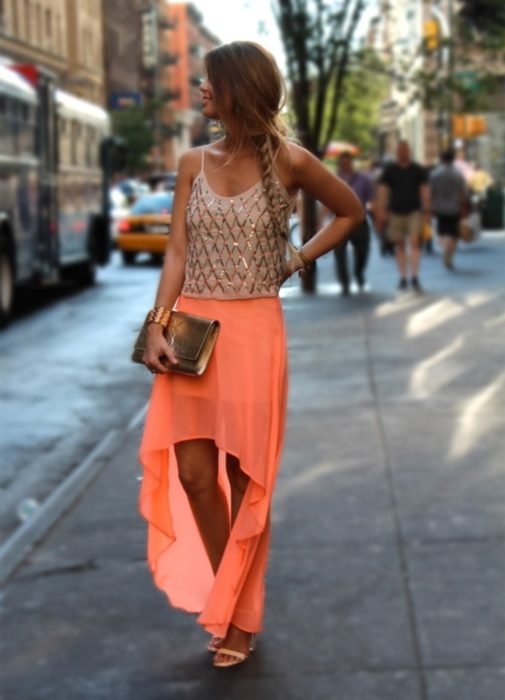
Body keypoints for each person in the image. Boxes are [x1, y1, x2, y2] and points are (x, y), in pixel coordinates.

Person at [138, 41, 363, 670]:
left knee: (245, 481)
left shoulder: (290, 161)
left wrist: (294, 259)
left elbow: (349, 211)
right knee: (191, 474)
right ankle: (228, 599)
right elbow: (176, 253)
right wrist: (157, 323)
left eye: (210, 81)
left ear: (238, 87)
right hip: (191, 332)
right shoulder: (190, 162)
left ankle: (238, 614)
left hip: (254, 332)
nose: (201, 90)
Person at [376, 140, 430, 292]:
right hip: (395, 211)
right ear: (397, 153)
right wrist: (382, 209)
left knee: (414, 241)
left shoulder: (417, 170)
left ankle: (414, 276)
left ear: (409, 152)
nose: (402, 153)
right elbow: (383, 191)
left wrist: (426, 209)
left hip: (414, 210)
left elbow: (424, 190)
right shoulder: (390, 171)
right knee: (399, 244)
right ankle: (403, 277)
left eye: (405, 150)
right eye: (400, 151)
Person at [333, 151, 374, 294]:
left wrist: (377, 215)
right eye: (343, 163)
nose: (345, 165)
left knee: (363, 250)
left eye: (348, 162)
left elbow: (371, 200)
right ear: (340, 164)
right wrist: (321, 220)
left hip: (359, 220)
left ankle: (359, 273)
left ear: (351, 163)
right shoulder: (333, 179)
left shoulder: (363, 179)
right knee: (339, 253)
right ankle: (344, 283)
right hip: (339, 220)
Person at [429, 148, 467, 270]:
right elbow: (462, 193)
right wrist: (463, 207)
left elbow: (431, 193)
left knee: (442, 232)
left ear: (441, 159)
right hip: (454, 208)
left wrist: (430, 207)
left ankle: (446, 248)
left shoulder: (434, 174)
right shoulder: (458, 175)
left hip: (439, 208)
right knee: (454, 234)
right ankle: (448, 254)